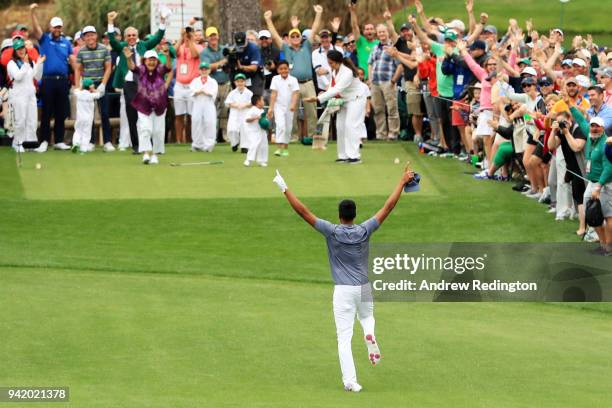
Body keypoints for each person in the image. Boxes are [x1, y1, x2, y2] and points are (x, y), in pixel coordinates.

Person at [271, 165, 415, 392]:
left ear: (340, 216)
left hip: (343, 291)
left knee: (344, 337)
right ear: (354, 215)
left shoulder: (332, 231)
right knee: (367, 318)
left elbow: (303, 212)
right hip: (364, 287)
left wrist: (284, 188)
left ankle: (351, 381)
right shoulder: (365, 229)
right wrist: (401, 182)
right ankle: (369, 333)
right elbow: (388, 207)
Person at [107, 10, 166, 153]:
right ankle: (136, 146)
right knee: (132, 115)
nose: (131, 37)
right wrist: (110, 22)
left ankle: (148, 144)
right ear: (125, 37)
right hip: (129, 85)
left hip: (144, 83)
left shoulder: (143, 46)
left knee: (147, 113)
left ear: (137, 36)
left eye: (134, 35)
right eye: (129, 36)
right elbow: (112, 41)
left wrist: (163, 21)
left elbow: (158, 37)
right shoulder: (122, 47)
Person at [264, 6, 322, 141]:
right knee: (292, 111)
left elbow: (314, 29)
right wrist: (268, 20)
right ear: (289, 39)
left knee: (312, 111)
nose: (295, 38)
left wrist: (318, 14)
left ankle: (314, 135)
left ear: (301, 37)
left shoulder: (306, 45)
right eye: (292, 36)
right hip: (292, 84)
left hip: (308, 82)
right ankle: (293, 136)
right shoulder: (286, 47)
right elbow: (275, 35)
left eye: (297, 36)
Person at [303, 50, 365, 164]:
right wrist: (322, 94)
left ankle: (354, 156)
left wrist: (318, 99)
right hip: (343, 99)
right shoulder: (334, 70)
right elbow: (332, 87)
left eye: (331, 63)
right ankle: (343, 155)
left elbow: (337, 89)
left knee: (350, 125)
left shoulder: (347, 72)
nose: (329, 65)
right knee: (340, 126)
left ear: (338, 62)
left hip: (356, 99)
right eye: (329, 62)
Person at [30, 3, 74, 152]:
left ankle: (59, 141)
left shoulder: (66, 43)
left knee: (61, 112)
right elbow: (36, 29)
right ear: (50, 28)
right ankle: (44, 141)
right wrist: (32, 13)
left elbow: (72, 59)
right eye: (55, 27)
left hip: (62, 81)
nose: (57, 29)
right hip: (48, 81)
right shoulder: (44, 40)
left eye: (59, 27)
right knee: (47, 112)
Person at [125, 48, 172, 164]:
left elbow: (169, 68)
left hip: (160, 105)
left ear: (157, 61)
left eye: (154, 60)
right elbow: (132, 67)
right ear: (145, 61)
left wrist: (168, 56)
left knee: (158, 131)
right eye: (149, 60)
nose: (151, 62)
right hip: (143, 104)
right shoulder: (141, 69)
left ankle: (155, 155)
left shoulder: (160, 69)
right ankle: (146, 153)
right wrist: (128, 57)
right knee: (145, 129)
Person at [74, 25, 113, 152]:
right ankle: (89, 142)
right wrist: (78, 87)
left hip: (101, 83)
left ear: (96, 35)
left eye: (92, 34)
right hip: (87, 84)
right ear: (84, 38)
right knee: (87, 115)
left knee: (105, 113)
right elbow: (78, 69)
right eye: (87, 35)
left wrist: (103, 84)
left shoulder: (104, 49)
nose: (90, 37)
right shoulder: (81, 51)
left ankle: (107, 142)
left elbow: (108, 67)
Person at [7, 39, 44, 152]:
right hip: (18, 95)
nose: (21, 51)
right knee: (21, 120)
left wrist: (39, 64)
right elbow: (18, 77)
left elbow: (36, 77)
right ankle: (18, 143)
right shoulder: (12, 63)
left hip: (30, 94)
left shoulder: (30, 61)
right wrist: (26, 64)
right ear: (15, 50)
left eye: (22, 48)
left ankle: (31, 144)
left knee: (32, 120)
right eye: (18, 49)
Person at [367, 24, 400, 140]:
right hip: (375, 82)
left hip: (388, 81)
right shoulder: (375, 47)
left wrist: (393, 80)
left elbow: (400, 65)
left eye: (383, 32)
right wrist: (370, 79)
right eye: (379, 32)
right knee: (378, 109)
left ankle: (393, 134)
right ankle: (381, 134)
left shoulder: (393, 47)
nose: (381, 34)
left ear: (388, 33)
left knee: (391, 108)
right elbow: (370, 63)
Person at [174, 26, 204, 144]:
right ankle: (178, 141)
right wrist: (181, 38)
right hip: (179, 85)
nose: (187, 36)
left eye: (189, 34)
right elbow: (173, 52)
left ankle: (191, 140)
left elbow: (194, 54)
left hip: (192, 86)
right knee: (179, 115)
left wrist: (190, 40)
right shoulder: (180, 47)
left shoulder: (199, 47)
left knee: (192, 115)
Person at [200, 26, 230, 142]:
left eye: (214, 35)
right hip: (211, 85)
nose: (213, 37)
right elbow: (207, 67)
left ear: (218, 36)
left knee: (224, 111)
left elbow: (229, 61)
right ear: (207, 38)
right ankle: (211, 136)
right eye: (210, 36)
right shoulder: (204, 52)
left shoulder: (224, 49)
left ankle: (223, 136)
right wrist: (221, 62)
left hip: (225, 83)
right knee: (211, 111)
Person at [267, 60, 299, 157]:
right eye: (281, 69)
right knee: (280, 126)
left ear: (288, 68)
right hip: (278, 106)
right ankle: (278, 148)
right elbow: (273, 94)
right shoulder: (275, 79)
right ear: (278, 70)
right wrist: (271, 108)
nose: (284, 70)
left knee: (288, 127)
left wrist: (293, 105)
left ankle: (285, 148)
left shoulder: (293, 79)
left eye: (285, 68)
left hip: (289, 107)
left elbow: (295, 93)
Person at [189, 62, 218, 152]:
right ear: (199, 71)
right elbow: (192, 92)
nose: (204, 71)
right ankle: (197, 144)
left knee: (209, 122)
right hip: (197, 103)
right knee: (196, 121)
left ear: (209, 71)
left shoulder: (213, 81)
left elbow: (213, 93)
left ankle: (209, 144)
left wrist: (205, 92)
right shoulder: (195, 81)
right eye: (202, 69)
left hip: (208, 103)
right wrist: (198, 92)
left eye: (206, 69)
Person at [349, 2, 379, 80]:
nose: (369, 31)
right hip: (363, 78)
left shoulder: (379, 43)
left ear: (375, 31)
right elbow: (354, 26)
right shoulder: (360, 42)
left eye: (371, 29)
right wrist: (352, 11)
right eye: (367, 29)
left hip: (377, 79)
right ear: (364, 32)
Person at [71, 78, 102, 152]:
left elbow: (75, 90)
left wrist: (81, 87)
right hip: (88, 119)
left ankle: (75, 143)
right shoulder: (91, 95)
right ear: (90, 87)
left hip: (79, 118)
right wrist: (94, 90)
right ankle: (83, 148)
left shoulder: (79, 93)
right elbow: (99, 94)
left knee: (78, 131)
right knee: (86, 133)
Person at [225, 73, 253, 151]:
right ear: (235, 82)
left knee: (245, 129)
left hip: (245, 113)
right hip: (235, 114)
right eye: (238, 81)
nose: (240, 83)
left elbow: (252, 103)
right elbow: (228, 103)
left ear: (245, 82)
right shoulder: (232, 93)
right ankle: (235, 143)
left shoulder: (249, 93)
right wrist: (236, 105)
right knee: (232, 129)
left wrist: (244, 105)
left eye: (242, 81)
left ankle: (244, 146)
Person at [233, 31, 264, 96]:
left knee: (254, 97)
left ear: (246, 40)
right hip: (240, 77)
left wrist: (241, 67)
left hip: (254, 76)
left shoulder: (253, 48)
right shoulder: (234, 48)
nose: (241, 47)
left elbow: (254, 68)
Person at [243, 94, 268, 167]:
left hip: (261, 130)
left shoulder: (262, 110)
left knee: (263, 145)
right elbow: (247, 119)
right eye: (262, 100)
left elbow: (264, 120)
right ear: (258, 102)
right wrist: (256, 118)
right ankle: (248, 160)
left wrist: (267, 118)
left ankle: (261, 161)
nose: (264, 102)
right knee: (254, 144)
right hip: (253, 131)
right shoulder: (252, 110)